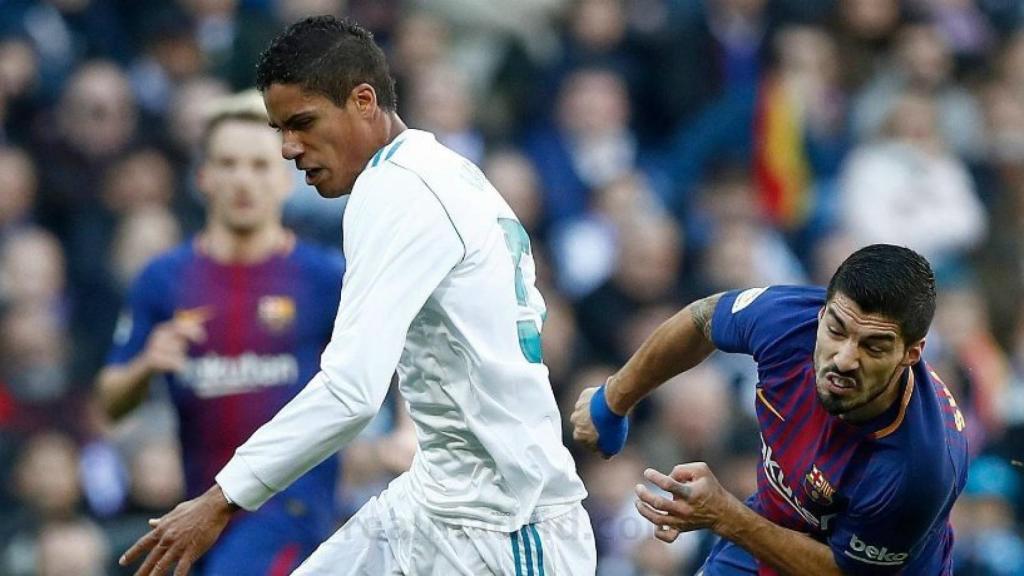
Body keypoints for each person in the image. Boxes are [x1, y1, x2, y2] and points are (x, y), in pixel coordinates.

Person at [119, 16, 595, 576]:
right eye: (280, 130)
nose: (289, 149)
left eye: (302, 123)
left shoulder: (399, 190)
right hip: (436, 498)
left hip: (506, 526)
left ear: (364, 100)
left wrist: (220, 500)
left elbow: (351, 390)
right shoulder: (441, 171)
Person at [572, 244, 969, 575]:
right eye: (836, 330)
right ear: (822, 313)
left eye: (873, 346)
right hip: (769, 530)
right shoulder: (788, 322)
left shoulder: (920, 467)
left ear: (912, 352)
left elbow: (842, 572)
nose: (845, 358)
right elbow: (703, 319)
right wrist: (611, 402)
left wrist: (726, 516)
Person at [96, 90, 347, 575]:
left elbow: (399, 359)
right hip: (197, 511)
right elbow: (110, 400)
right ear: (203, 177)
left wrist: (402, 434)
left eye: (258, 165)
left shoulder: (323, 278)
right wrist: (146, 364)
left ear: (283, 178)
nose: (243, 180)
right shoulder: (163, 278)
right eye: (228, 164)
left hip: (290, 510)